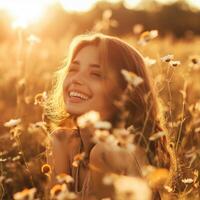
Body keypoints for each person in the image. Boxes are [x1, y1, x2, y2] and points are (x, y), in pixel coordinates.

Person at [45, 32, 169, 199]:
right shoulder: (62, 142)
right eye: (73, 69)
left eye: (96, 74)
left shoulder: (107, 154)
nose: (76, 79)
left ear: (125, 91)